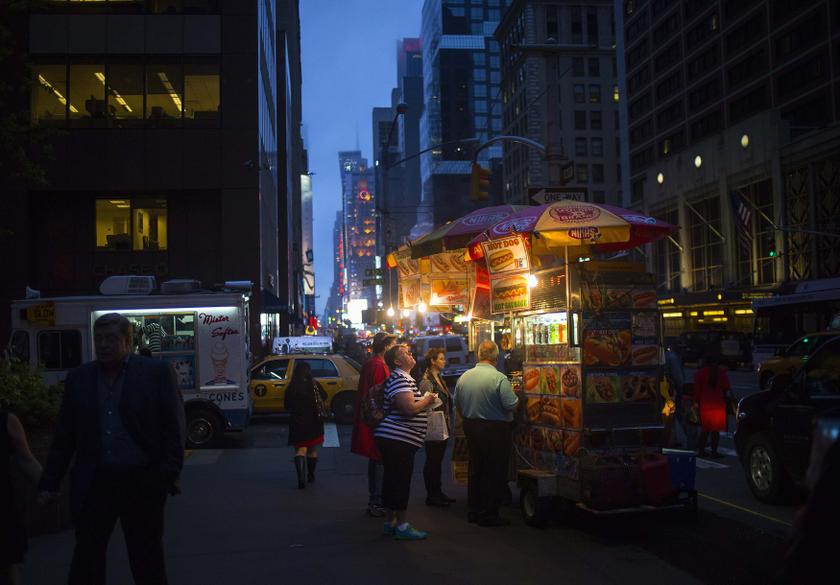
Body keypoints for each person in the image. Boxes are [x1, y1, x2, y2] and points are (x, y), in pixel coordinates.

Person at [38, 312, 185, 585]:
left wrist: (165, 477)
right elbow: (65, 435)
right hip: (96, 482)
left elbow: (174, 429)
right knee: (87, 559)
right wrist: (50, 481)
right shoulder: (79, 378)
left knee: (147, 559)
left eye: (111, 339)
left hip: (141, 481)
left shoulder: (155, 373)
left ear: (127, 341)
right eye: (99, 339)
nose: (104, 345)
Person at [374, 344, 437, 540]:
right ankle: (402, 526)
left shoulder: (402, 378)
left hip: (396, 439)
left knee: (393, 480)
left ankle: (390, 522)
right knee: (399, 481)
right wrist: (427, 399)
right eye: (405, 353)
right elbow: (408, 408)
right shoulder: (400, 378)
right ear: (397, 361)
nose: (410, 354)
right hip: (397, 439)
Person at [455, 340, 519, 527]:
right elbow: (511, 405)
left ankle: (474, 510)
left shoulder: (464, 377)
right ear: (496, 357)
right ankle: (489, 514)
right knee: (495, 471)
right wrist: (519, 398)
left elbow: (457, 406)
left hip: (471, 426)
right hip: (495, 429)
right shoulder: (499, 378)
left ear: (478, 356)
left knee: (476, 469)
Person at [350, 331, 397, 517]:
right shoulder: (379, 366)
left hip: (371, 419)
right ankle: (376, 501)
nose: (395, 349)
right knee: (379, 460)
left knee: (377, 460)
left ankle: (376, 499)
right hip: (378, 421)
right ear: (385, 347)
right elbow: (381, 395)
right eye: (393, 345)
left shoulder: (372, 364)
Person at [1, 408, 43, 585]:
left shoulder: (6, 421)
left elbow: (26, 459)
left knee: (6, 565)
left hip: (2, 509)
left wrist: (48, 486)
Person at [418, 347, 455, 507]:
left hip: (443, 422)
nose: (444, 361)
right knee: (433, 460)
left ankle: (438, 492)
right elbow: (425, 404)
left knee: (438, 460)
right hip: (434, 423)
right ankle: (432, 495)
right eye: (440, 358)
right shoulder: (427, 381)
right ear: (432, 361)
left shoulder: (439, 377)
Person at [284, 361, 327, 489]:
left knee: (300, 449)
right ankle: (311, 475)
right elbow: (324, 396)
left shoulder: (292, 387)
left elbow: (287, 406)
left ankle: (300, 478)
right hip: (314, 421)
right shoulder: (314, 385)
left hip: (297, 421)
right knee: (312, 449)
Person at [693, 348, 731, 459]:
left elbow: (696, 392)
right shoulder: (721, 373)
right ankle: (714, 452)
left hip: (705, 405)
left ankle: (701, 451)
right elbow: (726, 388)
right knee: (715, 430)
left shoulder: (699, 374)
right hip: (718, 405)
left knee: (705, 430)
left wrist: (695, 404)